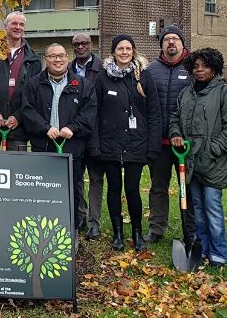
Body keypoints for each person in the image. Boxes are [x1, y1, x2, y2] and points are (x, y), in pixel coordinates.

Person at [169, 49, 227, 268]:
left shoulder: (224, 93)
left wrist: (212, 149)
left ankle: (219, 254)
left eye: (205, 66)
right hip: (191, 161)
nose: (200, 70)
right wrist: (175, 135)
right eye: (196, 66)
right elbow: (175, 118)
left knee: (212, 209)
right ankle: (202, 250)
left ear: (214, 68)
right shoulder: (186, 93)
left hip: (214, 162)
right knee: (198, 211)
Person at [90, 34, 161, 252]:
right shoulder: (102, 78)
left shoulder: (144, 77)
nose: (124, 52)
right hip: (109, 143)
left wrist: (153, 146)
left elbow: (154, 113)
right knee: (113, 188)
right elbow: (94, 112)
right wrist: (95, 144)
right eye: (119, 48)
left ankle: (137, 233)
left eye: (128, 48)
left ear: (133, 51)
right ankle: (117, 233)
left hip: (136, 143)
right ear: (113, 52)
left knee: (132, 189)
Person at [23, 43, 96, 231]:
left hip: (72, 147)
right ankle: (43, 226)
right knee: (43, 187)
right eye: (53, 56)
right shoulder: (34, 84)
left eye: (62, 56)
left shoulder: (81, 85)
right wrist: (45, 128)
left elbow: (89, 113)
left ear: (67, 58)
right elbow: (28, 111)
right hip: (44, 146)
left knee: (72, 188)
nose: (58, 59)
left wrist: (73, 128)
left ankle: (70, 226)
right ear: (45, 60)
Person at [145, 24, 191, 244]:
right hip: (159, 142)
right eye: (166, 39)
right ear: (162, 44)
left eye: (175, 39)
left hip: (186, 142)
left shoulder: (193, 68)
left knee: (188, 187)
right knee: (158, 187)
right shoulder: (151, 71)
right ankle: (156, 228)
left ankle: (189, 229)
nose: (171, 42)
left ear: (182, 43)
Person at [0, 11, 40, 152]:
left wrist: (18, 116)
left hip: (17, 126)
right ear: (5, 26)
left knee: (15, 170)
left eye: (21, 24)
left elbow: (34, 94)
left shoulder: (33, 59)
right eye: (14, 23)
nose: (18, 27)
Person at [70, 32, 104, 239]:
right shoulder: (67, 69)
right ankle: (79, 215)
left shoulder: (101, 70)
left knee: (96, 178)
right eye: (76, 44)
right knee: (75, 178)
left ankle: (94, 222)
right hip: (73, 132)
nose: (81, 47)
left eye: (84, 43)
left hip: (95, 132)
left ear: (91, 45)